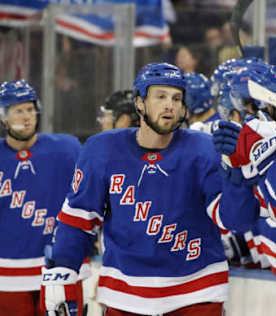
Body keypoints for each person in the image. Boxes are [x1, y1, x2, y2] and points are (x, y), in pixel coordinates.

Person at [41, 63, 258, 316]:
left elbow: (235, 220)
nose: (170, 105)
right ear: (140, 103)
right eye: (161, 96)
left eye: (176, 98)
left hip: (196, 295)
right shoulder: (102, 150)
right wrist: (64, 271)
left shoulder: (204, 149)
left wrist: (237, 177)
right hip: (126, 298)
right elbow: (78, 219)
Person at [0, 79, 83, 315]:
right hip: (6, 275)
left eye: (30, 109)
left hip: (61, 270)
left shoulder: (68, 149)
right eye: (17, 111)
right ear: (4, 117)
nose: (26, 116)